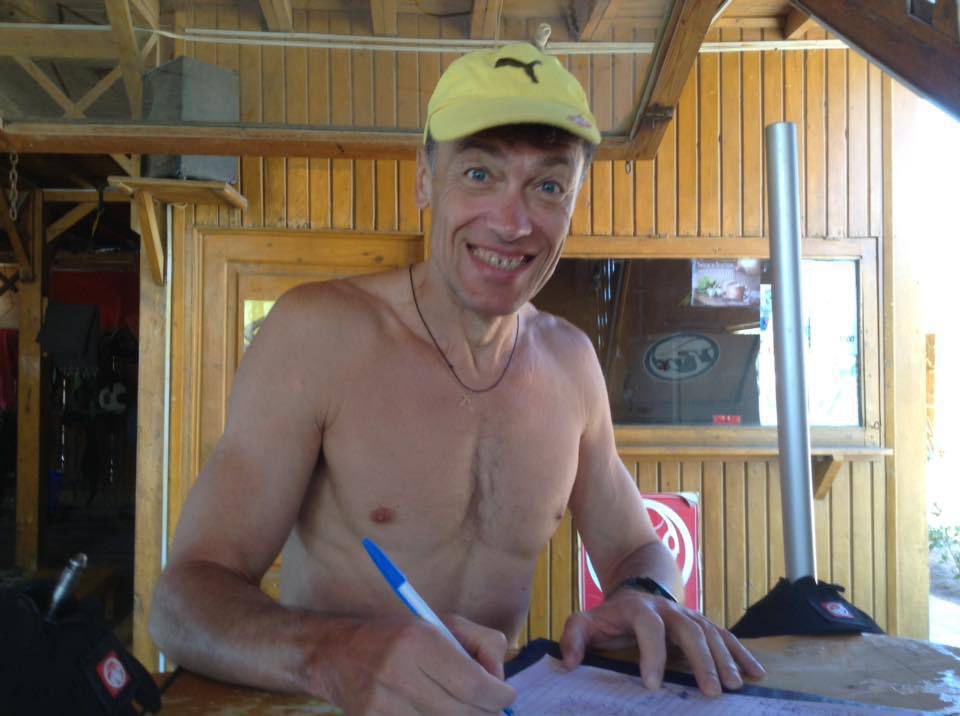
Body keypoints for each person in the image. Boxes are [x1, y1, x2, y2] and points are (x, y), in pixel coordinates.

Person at [150, 41, 765, 714]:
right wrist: (338, 655)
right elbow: (182, 602)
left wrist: (648, 595)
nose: (513, 222)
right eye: (479, 174)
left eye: (549, 186)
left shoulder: (571, 363)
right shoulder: (318, 335)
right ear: (425, 180)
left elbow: (637, 546)